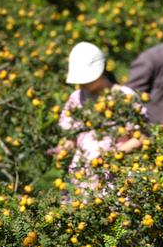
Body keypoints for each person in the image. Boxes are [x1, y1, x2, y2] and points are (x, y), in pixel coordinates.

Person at [56, 41, 146, 192]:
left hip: (117, 179)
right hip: (82, 179)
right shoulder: (76, 98)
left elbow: (142, 136)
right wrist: (62, 149)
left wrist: (115, 155)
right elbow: (71, 137)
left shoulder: (125, 97)